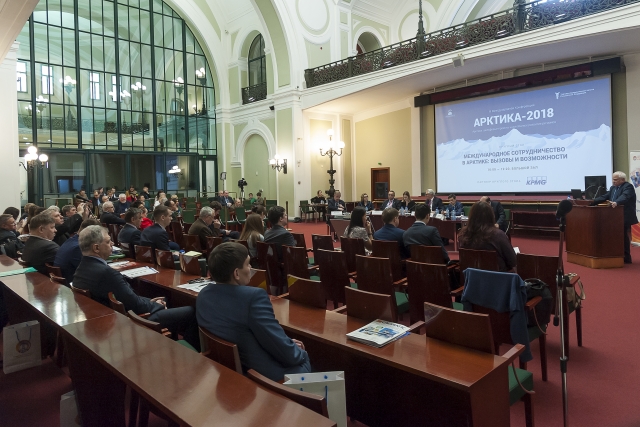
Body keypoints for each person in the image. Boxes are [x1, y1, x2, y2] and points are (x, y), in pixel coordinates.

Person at [196, 242, 310, 381]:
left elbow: (256, 335)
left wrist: (286, 343)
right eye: (248, 264)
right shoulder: (253, 297)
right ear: (236, 273)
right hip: (261, 377)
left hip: (226, 369)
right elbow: (283, 350)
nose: (250, 267)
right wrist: (298, 351)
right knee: (303, 358)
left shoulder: (204, 294)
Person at [74, 225, 200, 350]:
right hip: (136, 321)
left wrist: (150, 301)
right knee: (192, 311)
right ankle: (190, 353)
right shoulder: (107, 273)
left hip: (111, 317)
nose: (112, 243)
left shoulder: (81, 268)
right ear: (96, 248)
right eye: (108, 241)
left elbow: (130, 299)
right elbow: (135, 305)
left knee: (164, 299)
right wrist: (156, 305)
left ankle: (171, 344)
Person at [591, 171, 638, 264]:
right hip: (613, 216)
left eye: (615, 180)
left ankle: (626, 257)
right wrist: (591, 202)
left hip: (624, 215)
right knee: (615, 235)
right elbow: (605, 197)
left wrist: (616, 202)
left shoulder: (628, 187)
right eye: (613, 179)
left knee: (622, 236)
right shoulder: (613, 188)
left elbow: (625, 196)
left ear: (622, 180)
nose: (613, 181)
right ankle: (615, 255)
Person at [458, 202, 516, 272]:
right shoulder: (498, 235)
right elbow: (513, 261)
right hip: (497, 277)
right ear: (491, 216)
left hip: (471, 276)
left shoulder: (463, 234)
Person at [53, 218, 101, 283]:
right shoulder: (78, 247)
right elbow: (90, 270)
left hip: (66, 281)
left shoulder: (71, 240)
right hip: (72, 284)